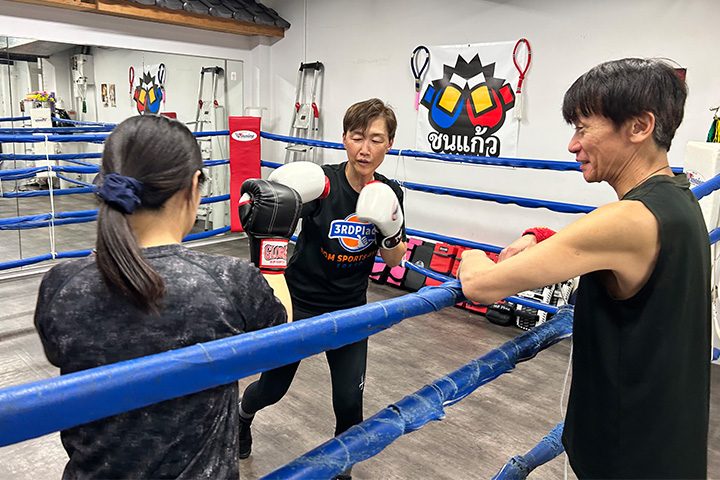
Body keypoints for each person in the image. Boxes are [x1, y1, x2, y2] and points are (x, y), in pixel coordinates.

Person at [458, 58, 710, 479]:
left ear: (639, 127)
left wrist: (470, 254)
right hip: (665, 445)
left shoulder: (629, 219)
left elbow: (480, 286)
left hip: (624, 457)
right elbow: (595, 247)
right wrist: (540, 235)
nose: (572, 145)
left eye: (583, 128)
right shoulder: (679, 200)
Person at [34, 114, 287, 479]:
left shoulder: (61, 284)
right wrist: (274, 245)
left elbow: (58, 352)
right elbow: (283, 340)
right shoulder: (227, 281)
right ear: (193, 186)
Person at [238, 98, 407, 479]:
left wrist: (390, 230)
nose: (365, 149)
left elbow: (395, 260)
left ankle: (342, 470)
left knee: (349, 402)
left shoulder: (390, 192)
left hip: (351, 309)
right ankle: (242, 416)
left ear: (389, 144)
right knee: (272, 390)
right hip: (301, 303)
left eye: (376, 139)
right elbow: (275, 227)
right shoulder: (321, 185)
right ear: (344, 138)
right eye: (358, 137)